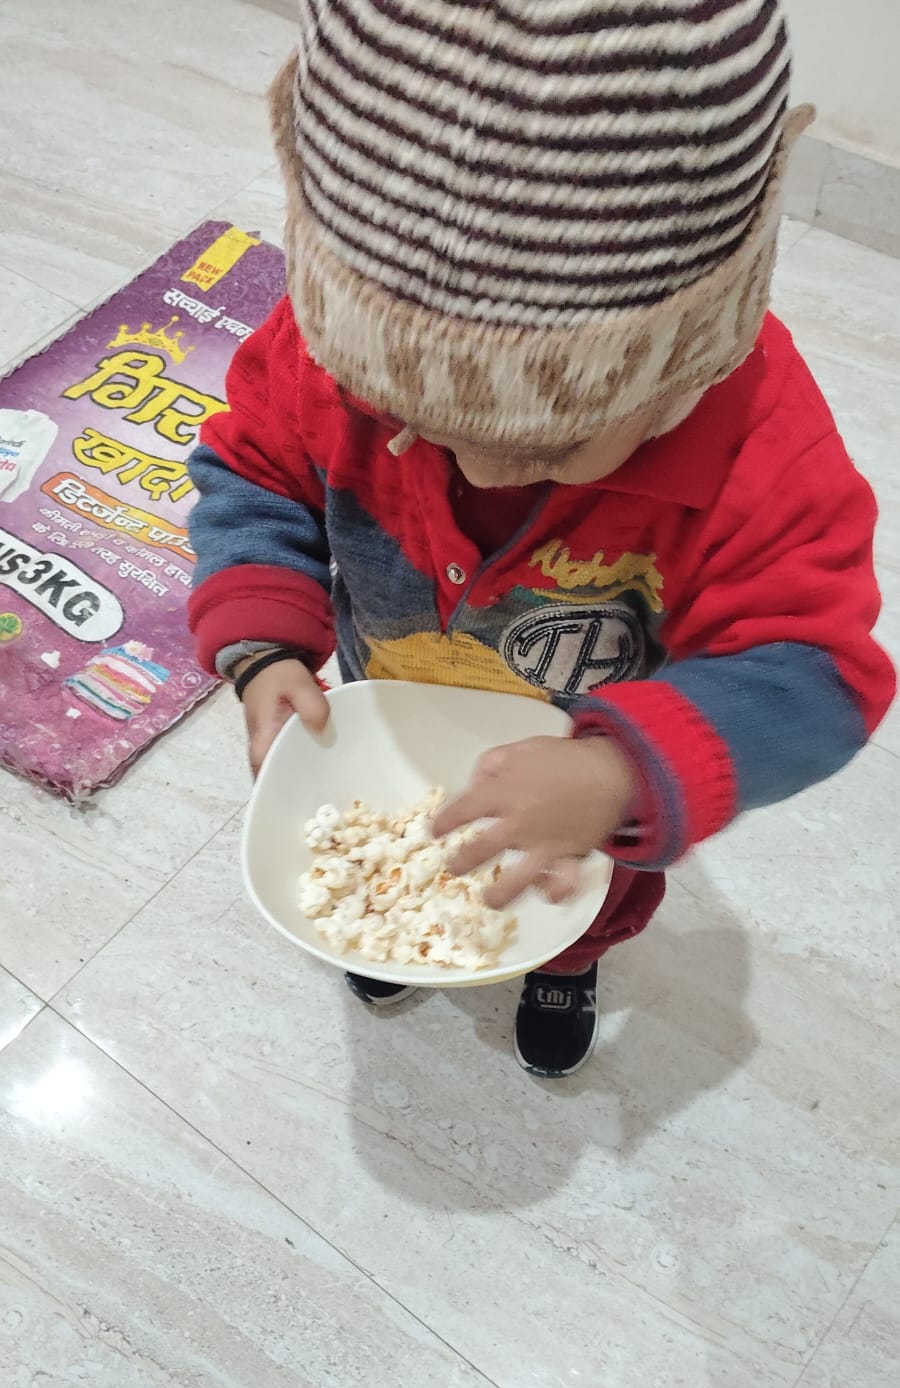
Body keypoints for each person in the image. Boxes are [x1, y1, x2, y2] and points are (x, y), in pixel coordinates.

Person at [188, 0, 895, 1079]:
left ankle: (568, 965)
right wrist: (264, 645)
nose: (482, 472)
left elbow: (820, 675)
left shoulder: (760, 439)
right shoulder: (327, 350)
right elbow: (254, 470)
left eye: (555, 440)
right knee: (404, 867)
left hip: (587, 798)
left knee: (589, 904)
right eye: (418, 425)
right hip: (393, 737)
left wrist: (618, 774)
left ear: (694, 355)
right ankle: (408, 941)